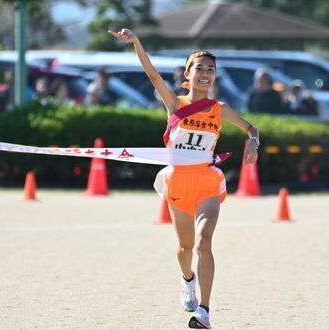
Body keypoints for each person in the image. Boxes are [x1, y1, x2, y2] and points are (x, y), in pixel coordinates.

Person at [109, 28, 259, 329]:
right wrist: (137, 43)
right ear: (187, 76)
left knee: (205, 243)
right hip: (178, 182)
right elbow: (153, 76)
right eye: (199, 69)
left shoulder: (220, 109)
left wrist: (253, 141)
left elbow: (251, 128)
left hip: (206, 182)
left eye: (210, 70)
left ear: (214, 77)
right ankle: (187, 279)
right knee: (185, 249)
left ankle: (204, 312)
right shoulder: (175, 105)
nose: (205, 73)